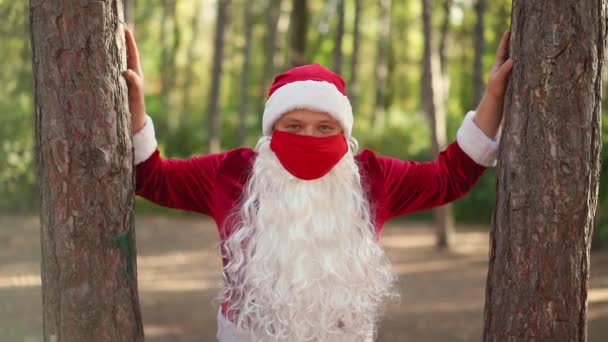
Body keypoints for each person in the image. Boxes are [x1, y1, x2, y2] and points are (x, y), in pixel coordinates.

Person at [123, 27, 513, 342]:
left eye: (325, 128)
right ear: (271, 129)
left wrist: (494, 95)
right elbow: (152, 178)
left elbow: (451, 177)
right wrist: (135, 103)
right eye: (294, 126)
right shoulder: (231, 173)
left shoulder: (372, 178)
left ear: (343, 133)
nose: (309, 138)